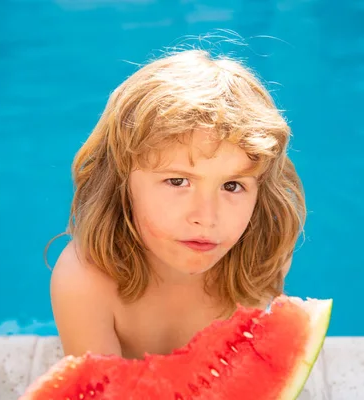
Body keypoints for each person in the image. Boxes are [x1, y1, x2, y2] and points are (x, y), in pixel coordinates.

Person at [48, 48, 306, 359]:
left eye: (232, 185)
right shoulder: (85, 280)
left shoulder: (264, 258)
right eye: (178, 181)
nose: (206, 218)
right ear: (122, 184)